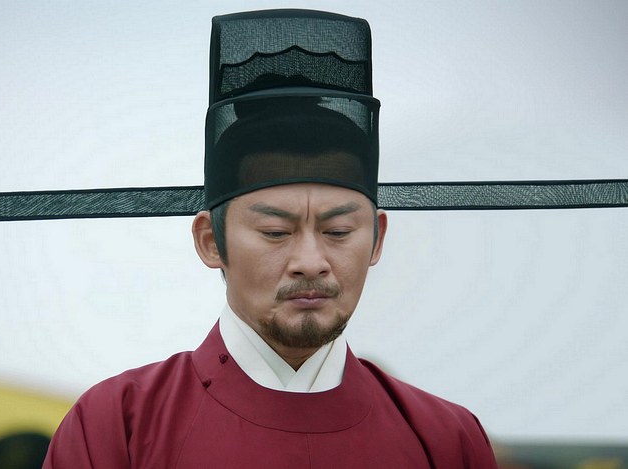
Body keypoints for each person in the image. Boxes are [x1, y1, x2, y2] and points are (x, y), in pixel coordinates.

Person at [44, 9, 497, 468]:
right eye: (275, 232)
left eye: (338, 232)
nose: (310, 261)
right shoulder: (118, 424)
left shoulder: (445, 439)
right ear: (210, 241)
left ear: (377, 239)